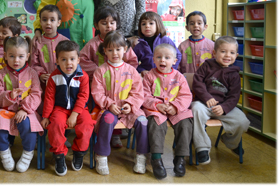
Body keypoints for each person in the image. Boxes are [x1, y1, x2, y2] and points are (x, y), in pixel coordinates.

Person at [80, 6, 139, 148]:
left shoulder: (121, 42)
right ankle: (99, 132)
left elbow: (132, 61)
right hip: (99, 85)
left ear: (117, 24)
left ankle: (116, 134)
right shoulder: (93, 43)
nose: (108, 26)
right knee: (102, 111)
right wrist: (98, 71)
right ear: (96, 25)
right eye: (104, 23)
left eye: (112, 22)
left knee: (119, 107)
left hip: (121, 85)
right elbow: (82, 59)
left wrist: (122, 71)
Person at [91, 31, 149, 176]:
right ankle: (101, 156)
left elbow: (138, 92)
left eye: (118, 49)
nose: (115, 53)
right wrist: (109, 104)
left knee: (142, 122)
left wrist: (130, 104)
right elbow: (97, 93)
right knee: (107, 119)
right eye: (110, 50)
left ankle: (141, 157)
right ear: (105, 51)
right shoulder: (100, 71)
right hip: (109, 108)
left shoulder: (132, 71)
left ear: (125, 49)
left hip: (130, 109)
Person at [0, 36, 43, 173]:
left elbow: (36, 94)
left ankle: (27, 154)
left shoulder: (32, 73)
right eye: (11, 56)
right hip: (5, 110)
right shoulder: (0, 75)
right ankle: (5, 154)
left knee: (28, 125)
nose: (16, 60)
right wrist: (8, 96)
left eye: (20, 56)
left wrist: (25, 109)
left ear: (27, 56)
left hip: (27, 111)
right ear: (5, 56)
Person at [191, 36, 250, 165]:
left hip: (224, 107)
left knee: (243, 121)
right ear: (214, 53)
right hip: (203, 104)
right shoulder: (206, 66)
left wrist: (224, 108)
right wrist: (207, 97)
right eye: (223, 51)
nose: (227, 55)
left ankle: (230, 141)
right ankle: (202, 148)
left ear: (236, 55)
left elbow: (234, 96)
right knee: (195, 109)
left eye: (232, 52)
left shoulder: (234, 74)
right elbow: (197, 83)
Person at [41, 40, 95, 176]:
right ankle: (59, 155)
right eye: (63, 59)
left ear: (78, 60)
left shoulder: (83, 77)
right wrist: (46, 116)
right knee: (56, 125)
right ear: (57, 61)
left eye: (72, 59)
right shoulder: (54, 77)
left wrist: (75, 115)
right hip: (60, 108)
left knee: (87, 124)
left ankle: (79, 152)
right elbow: (49, 98)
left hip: (79, 109)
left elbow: (83, 97)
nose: (68, 63)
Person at [142, 43, 193, 179]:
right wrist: (157, 105)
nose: (162, 60)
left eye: (167, 57)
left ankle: (180, 158)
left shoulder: (179, 77)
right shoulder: (149, 76)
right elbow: (144, 95)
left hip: (177, 109)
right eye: (159, 57)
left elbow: (186, 96)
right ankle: (156, 159)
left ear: (174, 61)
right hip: (156, 109)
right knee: (155, 124)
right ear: (153, 59)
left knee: (186, 124)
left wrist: (175, 106)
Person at [31, 5, 69, 113]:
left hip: (62, 82)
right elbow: (33, 64)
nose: (48, 23)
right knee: (44, 109)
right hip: (43, 84)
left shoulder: (65, 42)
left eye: (52, 20)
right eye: (44, 19)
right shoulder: (37, 42)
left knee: (60, 108)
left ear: (58, 23)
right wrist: (41, 74)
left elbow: (71, 62)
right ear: (40, 22)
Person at [133, 11, 182, 77]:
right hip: (148, 78)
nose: (147, 26)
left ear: (158, 25)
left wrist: (170, 69)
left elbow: (178, 55)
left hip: (166, 76)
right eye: (143, 24)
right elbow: (133, 62)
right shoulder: (138, 46)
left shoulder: (165, 40)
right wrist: (142, 70)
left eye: (151, 23)